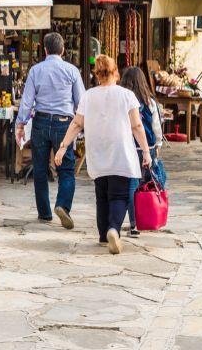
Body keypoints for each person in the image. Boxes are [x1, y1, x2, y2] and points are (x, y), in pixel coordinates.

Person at [54, 55, 151, 254]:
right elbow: (137, 125)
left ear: (96, 74)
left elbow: (77, 124)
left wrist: (63, 146)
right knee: (119, 196)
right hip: (121, 152)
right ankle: (113, 229)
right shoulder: (126, 95)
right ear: (115, 72)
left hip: (97, 153)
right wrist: (146, 151)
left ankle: (102, 235)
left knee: (102, 194)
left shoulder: (88, 96)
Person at [16, 32, 86, 229]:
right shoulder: (72, 71)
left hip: (40, 122)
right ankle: (62, 204)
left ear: (44, 50)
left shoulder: (35, 71)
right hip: (64, 124)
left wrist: (20, 125)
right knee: (66, 169)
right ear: (63, 50)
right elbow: (81, 102)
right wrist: (81, 127)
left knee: (39, 168)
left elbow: (27, 101)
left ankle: (45, 213)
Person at [119, 67, 163, 237]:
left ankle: (133, 224)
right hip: (147, 147)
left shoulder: (122, 100)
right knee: (144, 185)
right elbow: (156, 125)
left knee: (130, 186)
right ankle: (146, 217)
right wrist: (158, 144)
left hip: (126, 146)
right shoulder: (150, 101)